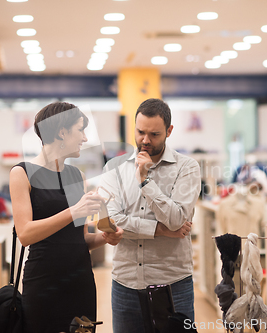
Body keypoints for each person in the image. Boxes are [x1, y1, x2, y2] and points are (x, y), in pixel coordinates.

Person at [9, 102, 123, 333]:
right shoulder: (22, 174)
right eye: (80, 130)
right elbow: (25, 234)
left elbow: (79, 240)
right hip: (43, 285)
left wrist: (105, 237)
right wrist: (73, 211)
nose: (84, 137)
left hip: (80, 283)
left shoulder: (76, 176)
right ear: (62, 132)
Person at [100, 98, 201, 333]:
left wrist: (145, 181)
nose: (145, 140)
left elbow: (177, 219)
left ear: (169, 131)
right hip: (125, 283)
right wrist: (161, 230)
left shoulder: (187, 167)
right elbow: (112, 220)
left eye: (154, 134)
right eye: (140, 132)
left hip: (173, 283)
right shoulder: (113, 168)